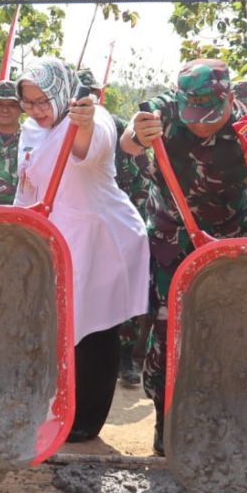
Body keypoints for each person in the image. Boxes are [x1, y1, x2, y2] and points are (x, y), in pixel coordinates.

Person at [120, 59, 247, 454]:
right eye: (194, 115)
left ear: (229, 98)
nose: (200, 124)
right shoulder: (164, 108)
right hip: (170, 238)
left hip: (221, 243)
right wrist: (138, 134)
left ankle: (217, 428)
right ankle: (166, 425)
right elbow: (128, 142)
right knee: (167, 331)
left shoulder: (246, 123)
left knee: (219, 331)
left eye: (210, 116)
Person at [14, 58, 149, 443]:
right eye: (29, 101)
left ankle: (87, 421)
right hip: (52, 241)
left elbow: (91, 147)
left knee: (94, 329)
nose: (37, 110)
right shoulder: (31, 129)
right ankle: (55, 409)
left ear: (63, 93)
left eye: (43, 101)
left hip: (99, 241)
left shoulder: (94, 118)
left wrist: (84, 124)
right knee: (54, 328)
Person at [77, 69, 149, 388]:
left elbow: (137, 178)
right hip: (82, 227)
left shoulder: (117, 126)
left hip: (115, 222)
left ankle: (124, 359)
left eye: (90, 90)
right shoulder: (61, 127)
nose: (85, 96)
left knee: (119, 290)